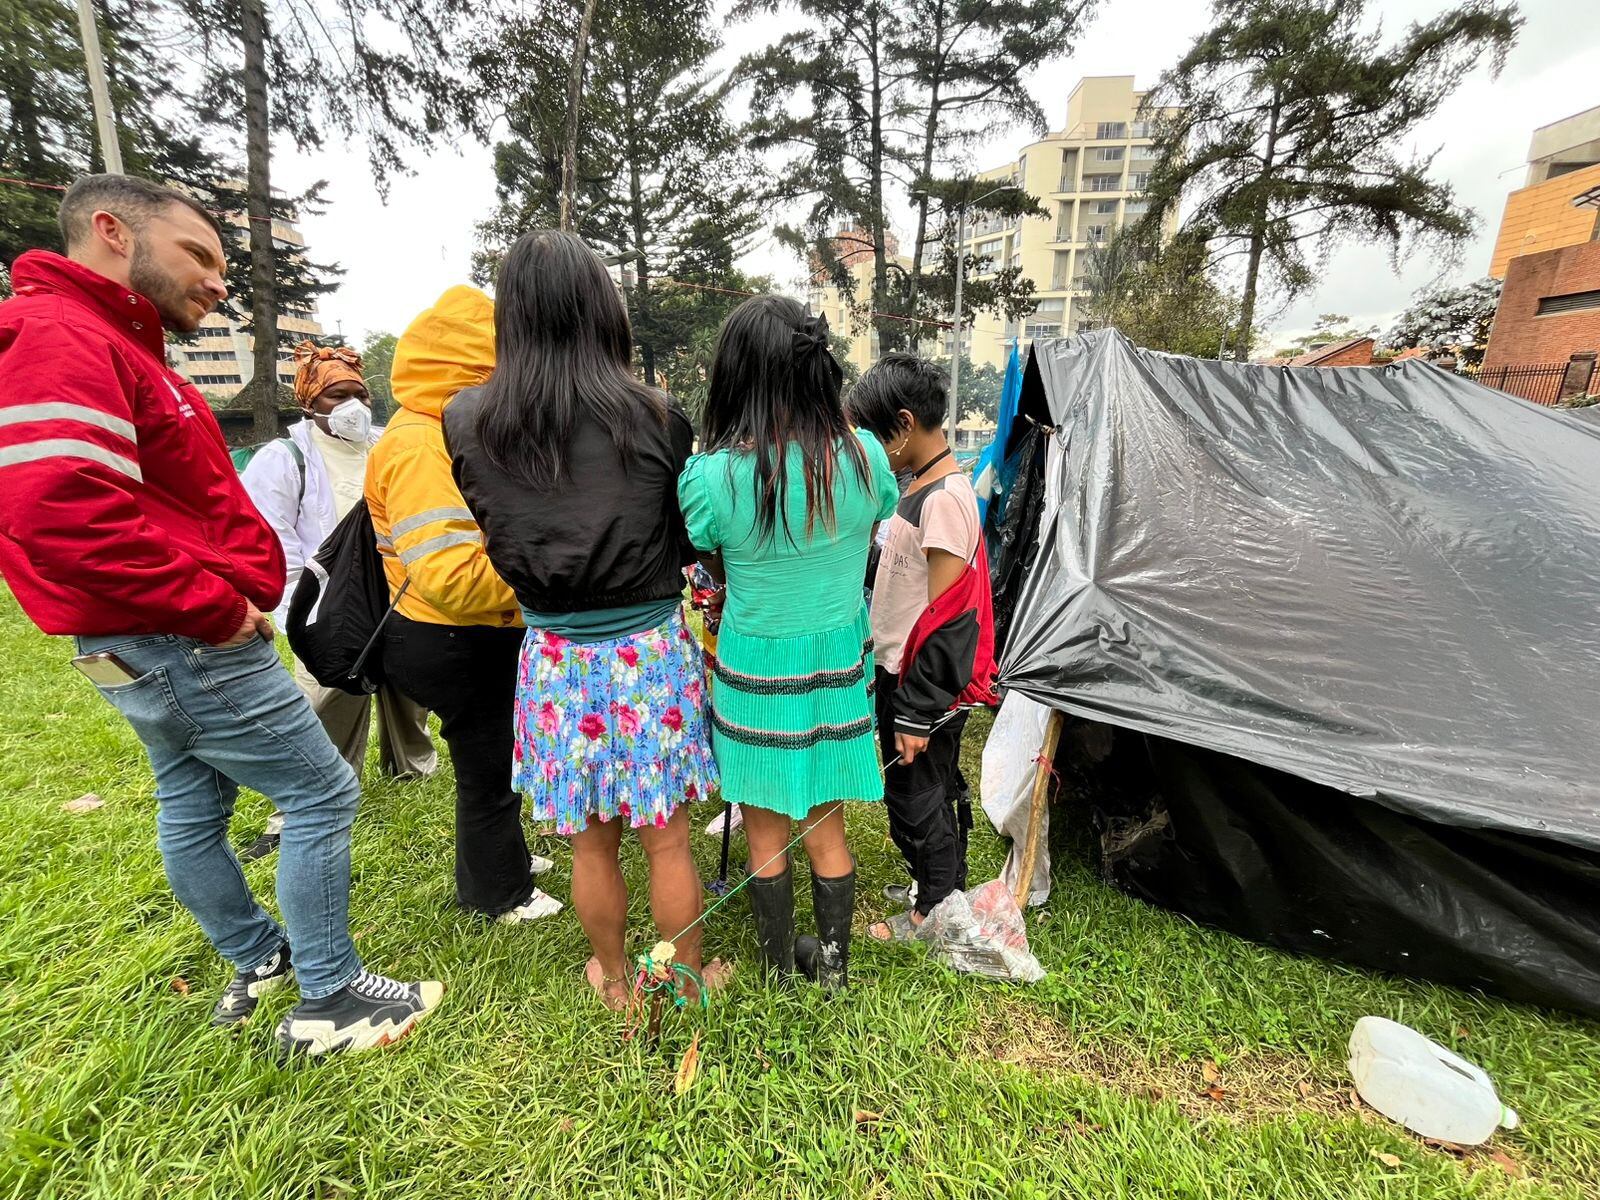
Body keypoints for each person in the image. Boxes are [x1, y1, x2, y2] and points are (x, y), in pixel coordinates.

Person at [0, 174, 441, 1055]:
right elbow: (59, 510)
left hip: (136, 642)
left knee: (189, 798)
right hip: (183, 636)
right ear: (111, 233)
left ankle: (257, 954)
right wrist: (213, 606)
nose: (216, 280)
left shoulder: (110, 342)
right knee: (320, 789)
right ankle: (333, 997)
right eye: (197, 254)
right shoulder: (62, 337)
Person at [443, 231, 719, 1006]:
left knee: (589, 844)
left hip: (556, 657)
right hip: (651, 654)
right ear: (603, 310)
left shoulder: (466, 419)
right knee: (666, 837)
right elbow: (682, 534)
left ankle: (618, 981)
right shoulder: (659, 416)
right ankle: (686, 981)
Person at [679, 296, 899, 990]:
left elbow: (704, 546)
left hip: (753, 670)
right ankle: (831, 967)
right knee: (828, 824)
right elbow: (883, 513)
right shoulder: (864, 455)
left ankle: (778, 969)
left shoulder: (712, 476)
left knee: (766, 826)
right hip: (838, 668)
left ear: (736, 376)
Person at [368, 284, 559, 924]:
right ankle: (497, 892)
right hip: (449, 634)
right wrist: (553, 582)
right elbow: (452, 575)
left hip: (466, 632)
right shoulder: (423, 444)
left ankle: (506, 856)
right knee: (484, 766)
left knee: (499, 754)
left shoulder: (441, 428)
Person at [236, 341, 436, 861]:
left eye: (358, 393)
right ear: (309, 403)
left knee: (404, 691)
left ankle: (411, 768)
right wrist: (298, 618)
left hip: (394, 592)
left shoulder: (382, 443)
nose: (351, 405)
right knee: (325, 699)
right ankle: (305, 802)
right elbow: (273, 542)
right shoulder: (284, 458)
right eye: (335, 395)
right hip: (330, 604)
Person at [846, 353, 988, 942]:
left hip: (920, 686)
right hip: (895, 673)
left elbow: (952, 618)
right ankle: (935, 886)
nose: (867, 449)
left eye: (873, 435)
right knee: (918, 788)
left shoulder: (947, 499)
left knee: (918, 795)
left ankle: (934, 912)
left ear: (903, 427)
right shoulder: (917, 490)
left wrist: (917, 707)